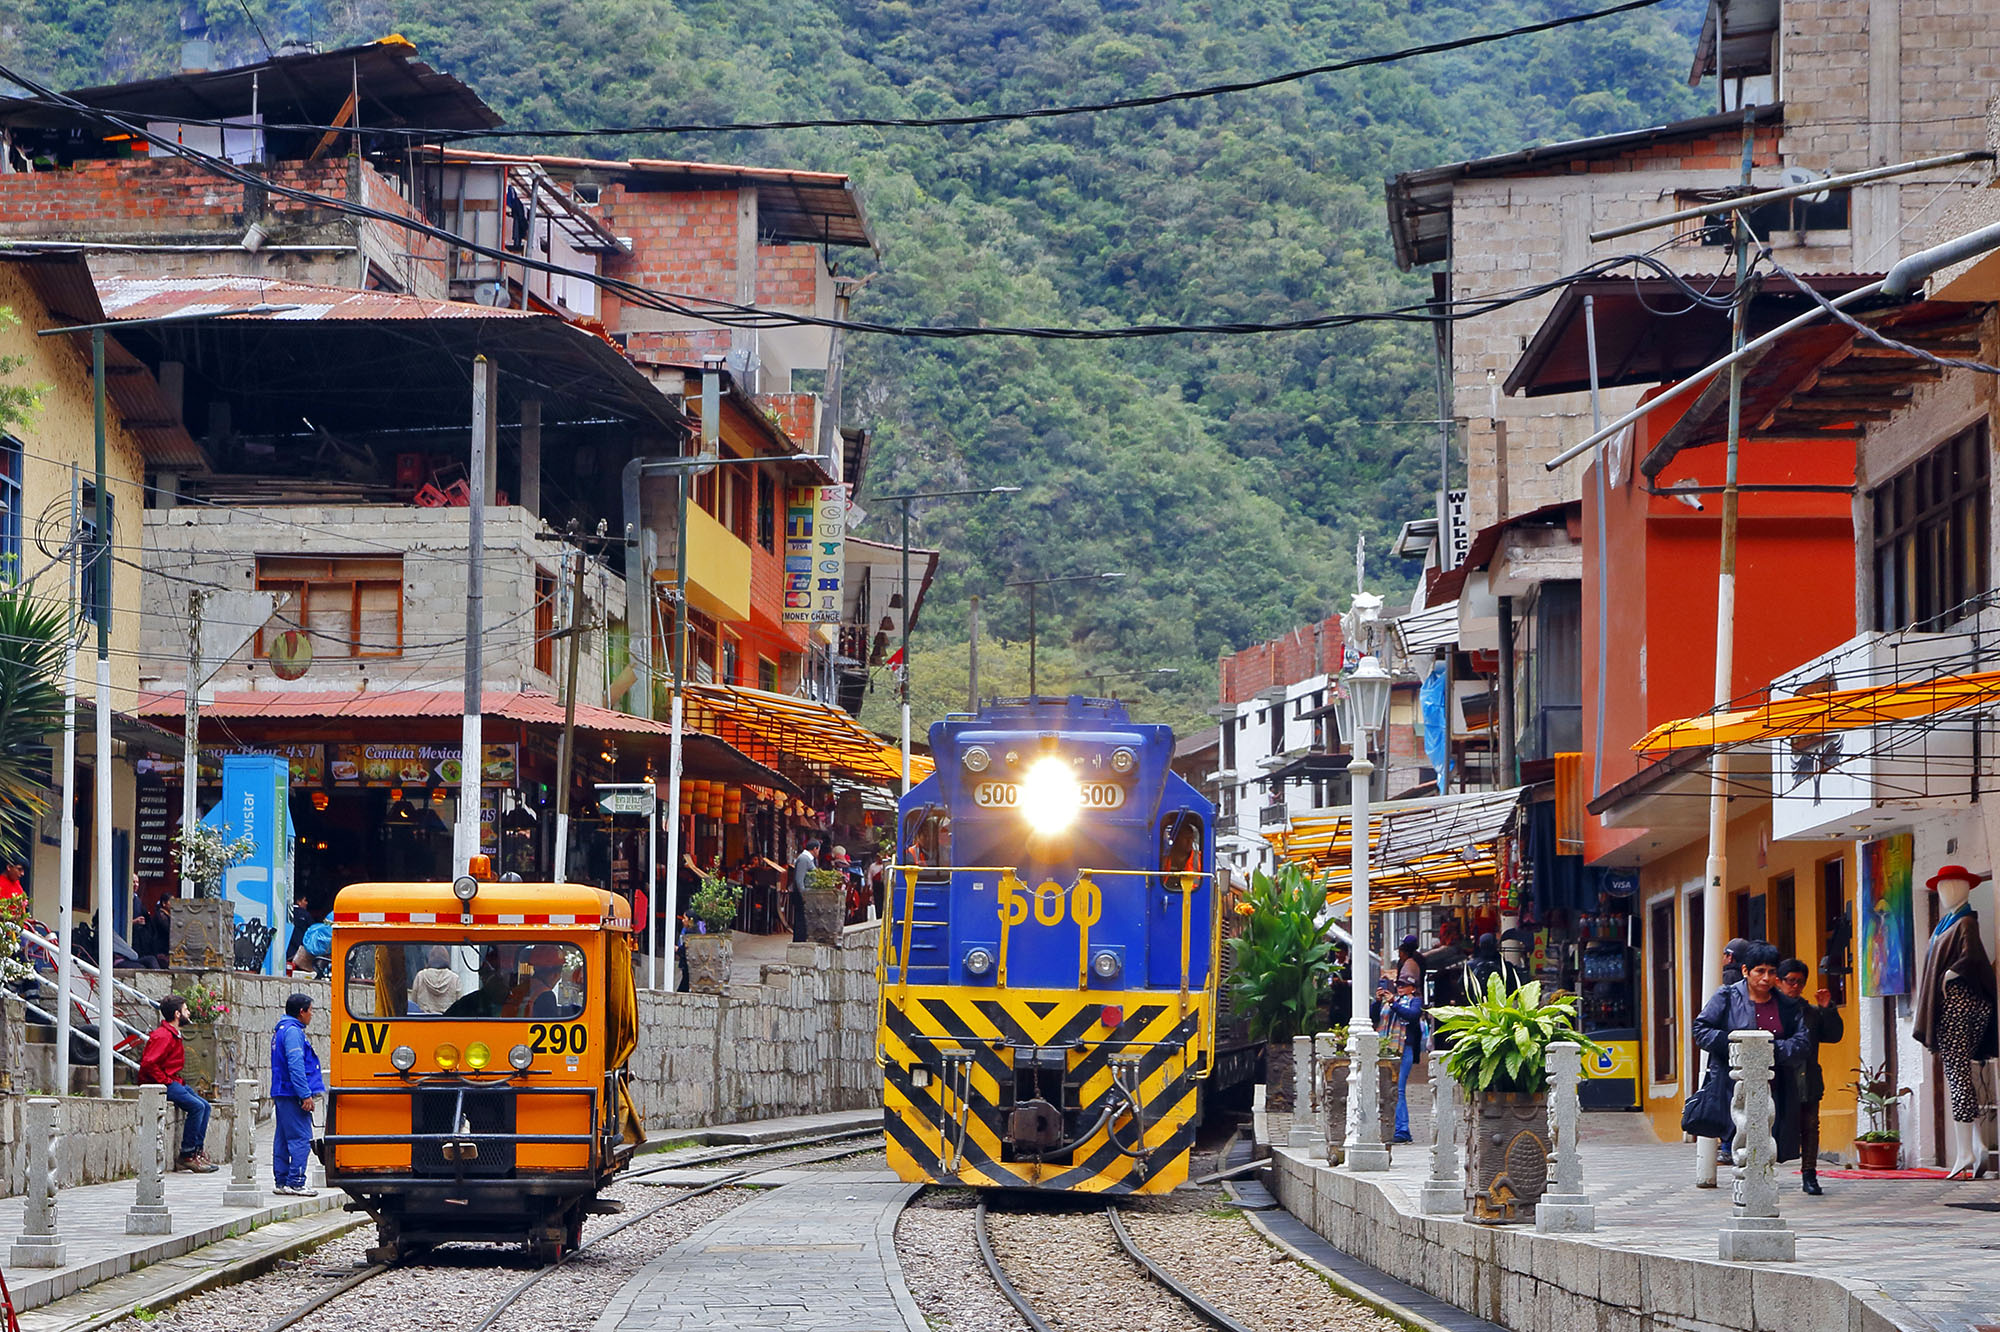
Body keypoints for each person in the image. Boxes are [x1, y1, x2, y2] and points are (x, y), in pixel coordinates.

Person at [1692, 940, 1812, 1169]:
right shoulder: (1727, 996)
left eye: (1772, 972)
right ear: (1746, 970)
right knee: (1741, 1147)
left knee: (1768, 1147)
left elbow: (1802, 1042)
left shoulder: (1786, 1005)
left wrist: (1770, 1050)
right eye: (1760, 971)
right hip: (1732, 1085)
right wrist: (1737, 1046)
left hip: (1775, 1087)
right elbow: (1701, 1029)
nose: (1766, 978)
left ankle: (1762, 1182)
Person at [1777, 957, 1845, 1195]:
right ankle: (1761, 1173)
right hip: (1778, 1079)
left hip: (1807, 1078)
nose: (1795, 986)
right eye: (1790, 981)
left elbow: (1833, 1035)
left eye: (1800, 982)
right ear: (1779, 982)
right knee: (1771, 1126)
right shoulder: (1770, 1010)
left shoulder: (1810, 1012)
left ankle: (1809, 1174)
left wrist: (1827, 1009)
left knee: (1810, 1126)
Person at [138, 996, 217, 1172]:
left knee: (205, 1106)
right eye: (186, 1009)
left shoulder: (173, 1034)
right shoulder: (163, 1036)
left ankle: (197, 1151)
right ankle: (187, 1154)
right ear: (177, 1014)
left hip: (173, 1080)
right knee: (196, 1107)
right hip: (162, 1083)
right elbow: (149, 1063)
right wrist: (164, 1081)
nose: (189, 1013)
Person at [269, 993, 324, 1197]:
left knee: (283, 1138)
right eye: (310, 1011)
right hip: (292, 1094)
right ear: (301, 1012)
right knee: (301, 1138)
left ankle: (282, 1181)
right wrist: (305, 1094)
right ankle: (296, 1182)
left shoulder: (282, 1029)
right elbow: (296, 1065)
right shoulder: (293, 1032)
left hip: (282, 1091)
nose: (312, 1015)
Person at [1381, 972, 1425, 1144]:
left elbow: (1412, 1015)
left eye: (1404, 985)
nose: (1400, 988)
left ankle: (1402, 1130)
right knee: (1386, 1088)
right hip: (1387, 1048)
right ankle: (1390, 1127)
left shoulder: (1415, 1001)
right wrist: (1378, 1002)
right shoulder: (1391, 1001)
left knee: (1398, 1089)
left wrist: (1393, 1003)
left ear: (1412, 988)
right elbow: (1376, 1017)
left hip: (1404, 1048)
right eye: (1398, 985)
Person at [408, 944, 462, 1014]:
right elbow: (460, 1005)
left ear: (430, 958)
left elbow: (413, 1003)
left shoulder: (420, 976)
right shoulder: (454, 978)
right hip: (447, 1019)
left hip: (424, 1019)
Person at [790, 837, 819, 944]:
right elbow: (799, 879)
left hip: (806, 894)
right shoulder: (803, 859)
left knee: (804, 920)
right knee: (800, 920)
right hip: (801, 895)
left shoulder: (808, 859)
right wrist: (803, 895)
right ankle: (799, 942)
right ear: (815, 849)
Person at [285, 896, 314, 975]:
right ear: (298, 901)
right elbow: (312, 929)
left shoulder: (285, 912)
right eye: (305, 900)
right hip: (300, 949)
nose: (306, 903)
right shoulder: (305, 914)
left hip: (287, 948)